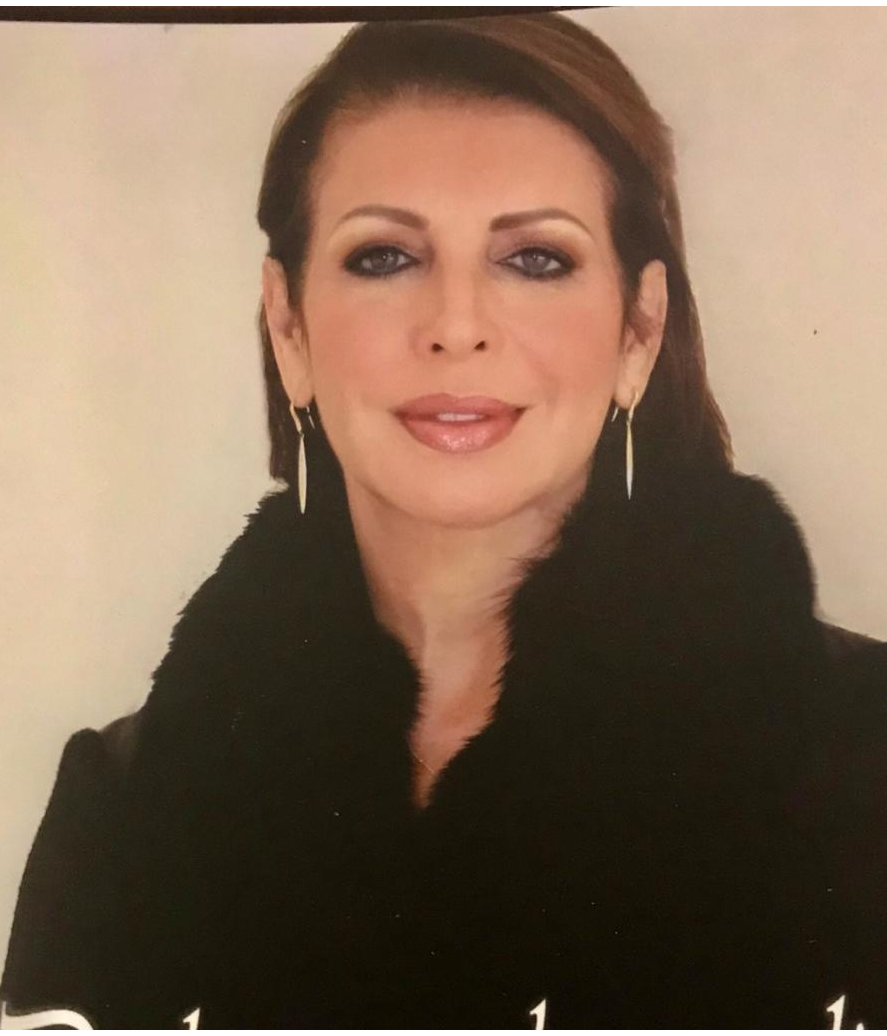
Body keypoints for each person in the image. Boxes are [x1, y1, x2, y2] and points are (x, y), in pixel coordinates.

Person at [2, 11, 886, 1030]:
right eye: (383, 257)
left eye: (535, 259)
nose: (456, 326)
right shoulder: (125, 805)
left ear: (638, 332)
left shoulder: (863, 751)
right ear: (288, 328)